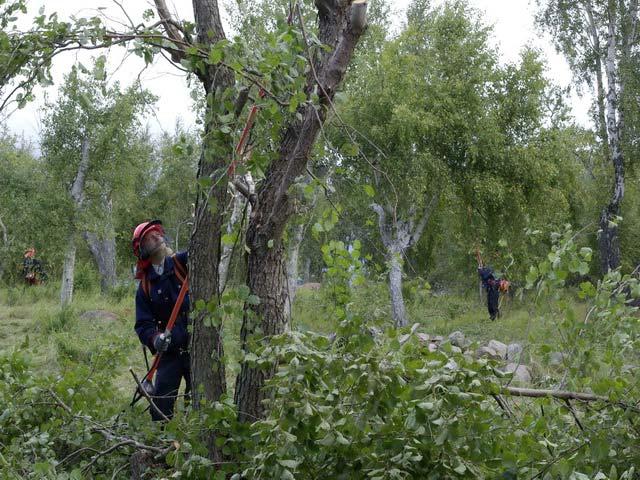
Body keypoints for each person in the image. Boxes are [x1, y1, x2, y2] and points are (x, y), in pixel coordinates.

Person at [132, 220, 190, 421]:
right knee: (160, 410)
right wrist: (156, 339)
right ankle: (163, 445)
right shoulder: (145, 288)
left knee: (201, 402)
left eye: (157, 233)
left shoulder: (184, 263)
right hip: (169, 354)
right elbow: (143, 325)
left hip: (196, 348)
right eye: (149, 236)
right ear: (142, 251)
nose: (156, 236)